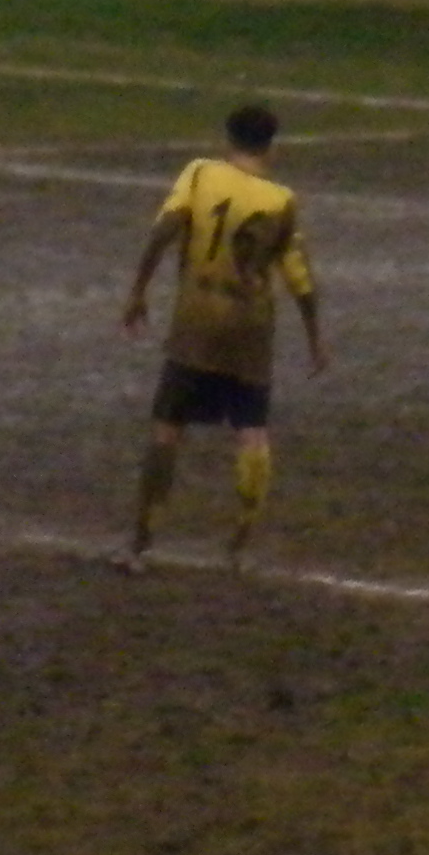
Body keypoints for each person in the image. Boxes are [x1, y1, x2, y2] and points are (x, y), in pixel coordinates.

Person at [119, 101, 325, 569]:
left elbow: (164, 229)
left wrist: (138, 291)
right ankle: (238, 547)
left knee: (167, 428)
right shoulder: (281, 201)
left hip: (197, 320)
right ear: (272, 145)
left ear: (228, 139)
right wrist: (315, 336)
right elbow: (299, 276)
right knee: (252, 431)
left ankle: (140, 543)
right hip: (251, 329)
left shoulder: (200, 174)